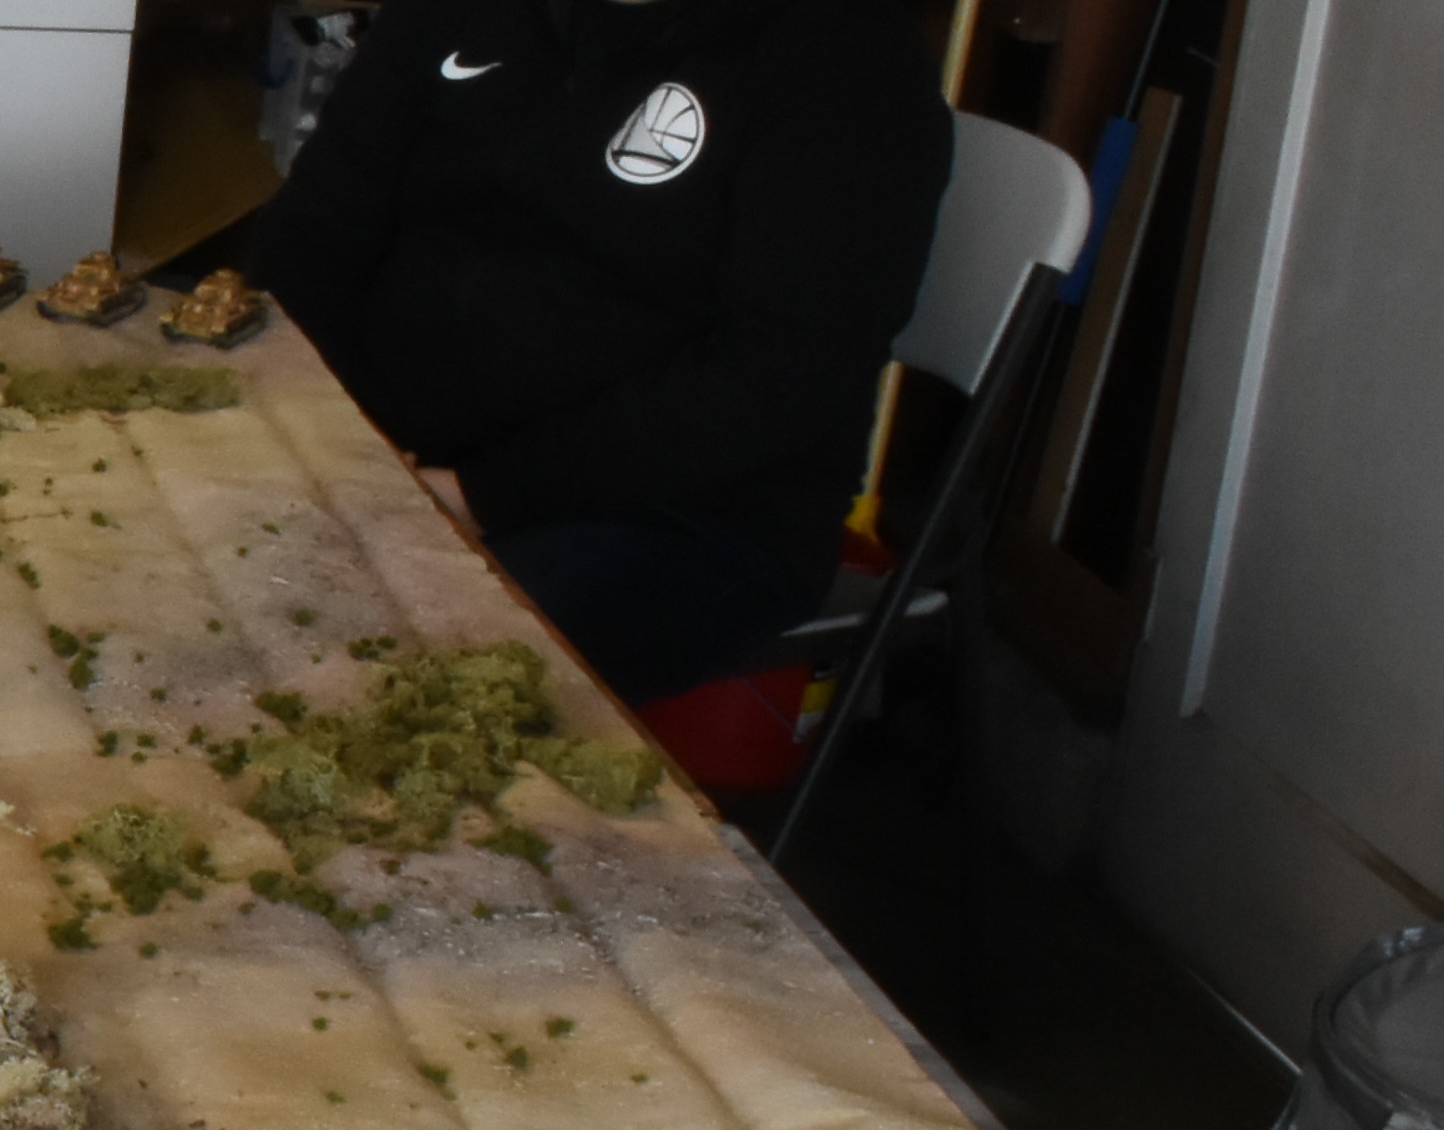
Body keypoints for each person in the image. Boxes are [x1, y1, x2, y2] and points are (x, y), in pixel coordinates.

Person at [243, 0, 950, 704]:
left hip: (679, 515)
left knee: (375, 663)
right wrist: (327, 431)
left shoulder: (846, 56)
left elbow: (782, 374)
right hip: (391, 448)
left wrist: (482, 495)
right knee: (198, 561)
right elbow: (318, 230)